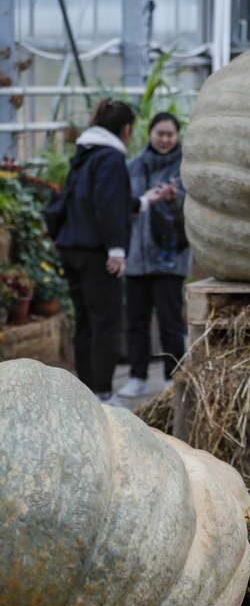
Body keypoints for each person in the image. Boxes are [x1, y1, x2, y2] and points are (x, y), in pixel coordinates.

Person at [54, 100, 162, 407]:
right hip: (97, 252)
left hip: (72, 248)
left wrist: (144, 201)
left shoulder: (85, 153)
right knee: (106, 323)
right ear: (126, 129)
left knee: (86, 322)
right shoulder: (111, 157)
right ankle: (102, 393)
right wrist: (116, 250)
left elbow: (94, 200)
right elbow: (107, 205)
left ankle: (87, 392)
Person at [117, 112, 190, 399]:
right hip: (136, 257)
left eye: (170, 134)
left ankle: (174, 377)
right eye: (160, 133)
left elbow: (192, 212)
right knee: (136, 322)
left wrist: (174, 200)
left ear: (177, 136)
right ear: (150, 134)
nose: (164, 139)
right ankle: (137, 376)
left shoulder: (186, 168)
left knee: (170, 322)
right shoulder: (133, 166)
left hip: (170, 259)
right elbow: (122, 206)